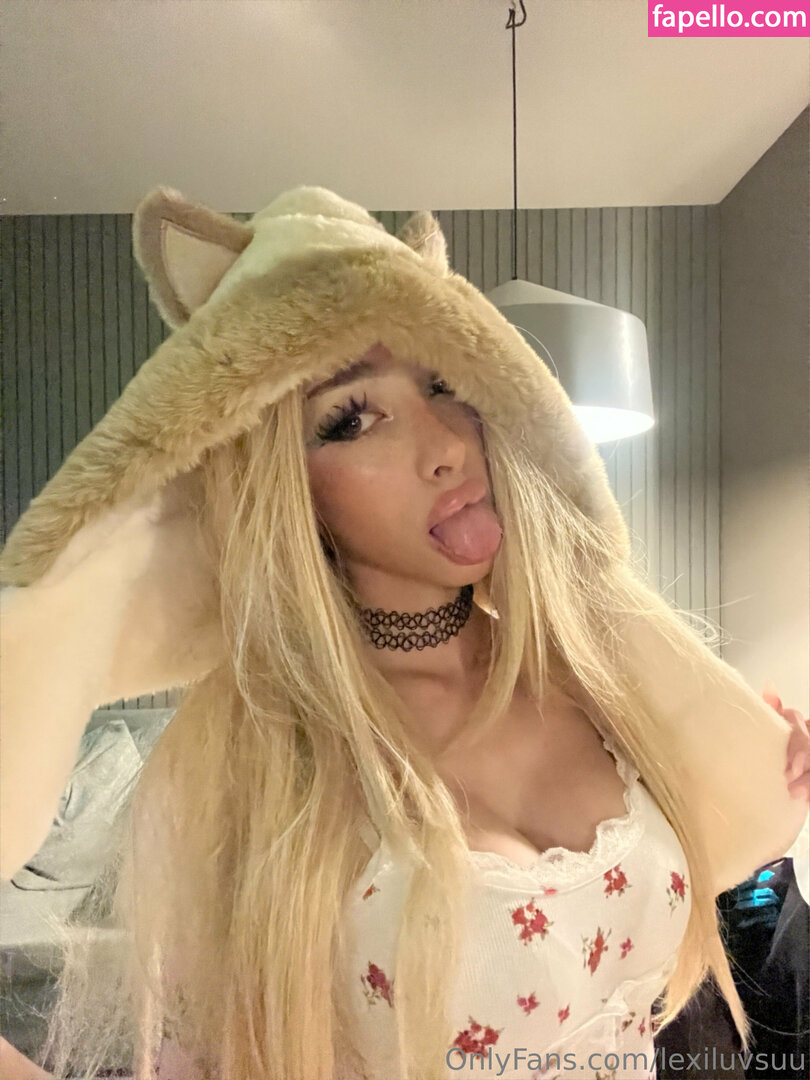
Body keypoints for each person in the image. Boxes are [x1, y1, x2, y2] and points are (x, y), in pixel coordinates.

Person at [0, 186, 807, 1080]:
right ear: (286, 487)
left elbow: (728, 858)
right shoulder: (251, 762)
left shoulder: (591, 676)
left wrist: (771, 776)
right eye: (352, 418)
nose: (446, 446)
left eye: (445, 384)